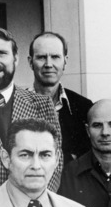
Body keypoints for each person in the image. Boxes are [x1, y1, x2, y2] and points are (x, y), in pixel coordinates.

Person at [0, 27, 61, 201]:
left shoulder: (42, 105)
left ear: (15, 59)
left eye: (2, 53)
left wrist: (32, 203)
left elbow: (55, 165)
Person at [28, 31, 92, 161]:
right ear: (30, 62)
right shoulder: (14, 104)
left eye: (55, 57)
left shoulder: (84, 107)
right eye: (41, 57)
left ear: (65, 61)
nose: (48, 64)